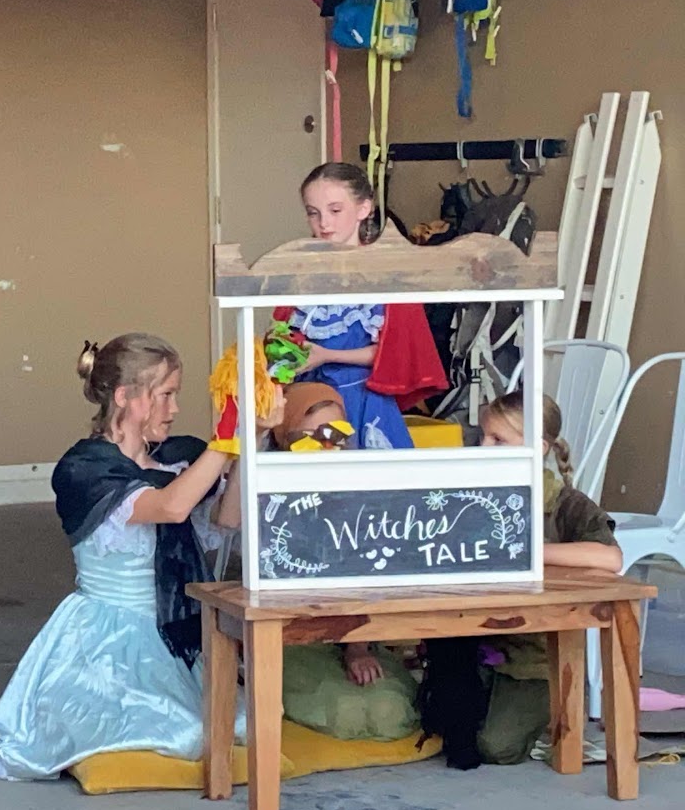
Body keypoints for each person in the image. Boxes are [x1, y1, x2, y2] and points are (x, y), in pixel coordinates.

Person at [0, 334, 278, 779]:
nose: (174, 409)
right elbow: (171, 507)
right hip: (105, 641)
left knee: (237, 723)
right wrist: (227, 436)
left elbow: (228, 518)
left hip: (171, 634)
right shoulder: (86, 469)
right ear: (125, 397)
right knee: (187, 733)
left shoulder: (176, 459)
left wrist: (252, 437)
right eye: (165, 395)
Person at [420, 391, 624, 768]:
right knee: (443, 720)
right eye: (483, 436)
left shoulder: (565, 503)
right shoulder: (473, 492)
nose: (484, 448)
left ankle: (555, 716)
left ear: (537, 448)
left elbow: (609, 558)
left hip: (533, 659)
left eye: (498, 440)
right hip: (481, 643)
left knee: (496, 746)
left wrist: (528, 551)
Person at [216, 382, 421, 742]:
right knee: (348, 714)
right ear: (285, 440)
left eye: (335, 434)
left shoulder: (361, 486)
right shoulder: (268, 478)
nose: (327, 446)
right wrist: (254, 439)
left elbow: (364, 574)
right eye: (310, 438)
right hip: (287, 632)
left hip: (348, 627)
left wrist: (357, 649)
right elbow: (227, 519)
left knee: (390, 711)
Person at [285, 163, 447, 449]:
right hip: (309, 406)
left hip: (364, 402)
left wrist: (326, 355)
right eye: (313, 213)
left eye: (335, 210)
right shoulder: (300, 274)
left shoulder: (386, 275)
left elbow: (397, 352)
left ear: (364, 208)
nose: (324, 223)